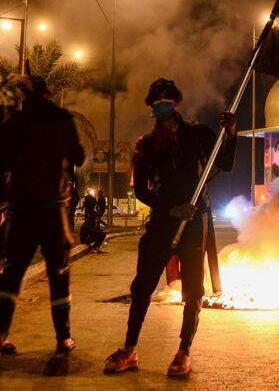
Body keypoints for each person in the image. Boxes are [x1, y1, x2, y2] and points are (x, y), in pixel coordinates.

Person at [103, 78, 236, 378]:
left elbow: (225, 163)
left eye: (166, 99)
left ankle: (183, 351)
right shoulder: (146, 145)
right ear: (152, 108)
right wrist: (169, 208)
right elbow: (142, 192)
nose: (161, 104)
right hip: (164, 221)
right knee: (142, 286)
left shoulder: (199, 134)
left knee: (192, 288)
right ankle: (129, 349)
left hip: (194, 219)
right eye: (155, 101)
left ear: (176, 102)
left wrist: (231, 133)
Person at [0, 76, 85, 374]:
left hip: (22, 210)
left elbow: (3, 160)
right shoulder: (63, 119)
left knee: (11, 275)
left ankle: (1, 334)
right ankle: (63, 339)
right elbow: (79, 156)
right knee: (59, 276)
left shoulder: (15, 123)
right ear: (48, 93)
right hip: (53, 210)